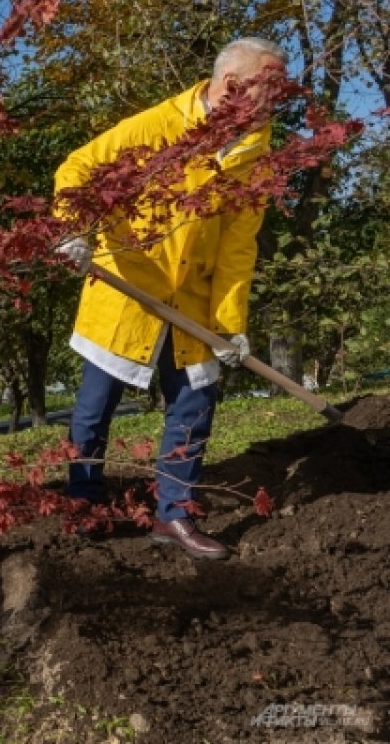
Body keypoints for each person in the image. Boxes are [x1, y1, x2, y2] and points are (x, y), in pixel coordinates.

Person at [54, 37, 289, 560]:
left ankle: (173, 513)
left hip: (193, 300)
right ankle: (84, 502)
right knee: (95, 408)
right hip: (128, 288)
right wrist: (73, 229)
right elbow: (78, 167)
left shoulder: (257, 153)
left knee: (194, 407)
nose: (280, 97)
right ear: (232, 84)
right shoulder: (159, 124)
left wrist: (230, 325)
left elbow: (237, 248)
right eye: (271, 85)